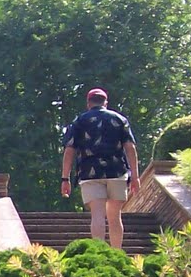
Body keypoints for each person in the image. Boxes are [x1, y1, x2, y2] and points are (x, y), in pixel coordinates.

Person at [60, 87, 140, 248]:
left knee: (97, 215)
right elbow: (130, 148)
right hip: (117, 172)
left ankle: (100, 255)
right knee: (115, 216)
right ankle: (117, 253)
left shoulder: (80, 121)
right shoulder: (119, 119)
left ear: (88, 103)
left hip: (89, 173)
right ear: (106, 102)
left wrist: (65, 178)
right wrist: (135, 176)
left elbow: (69, 150)